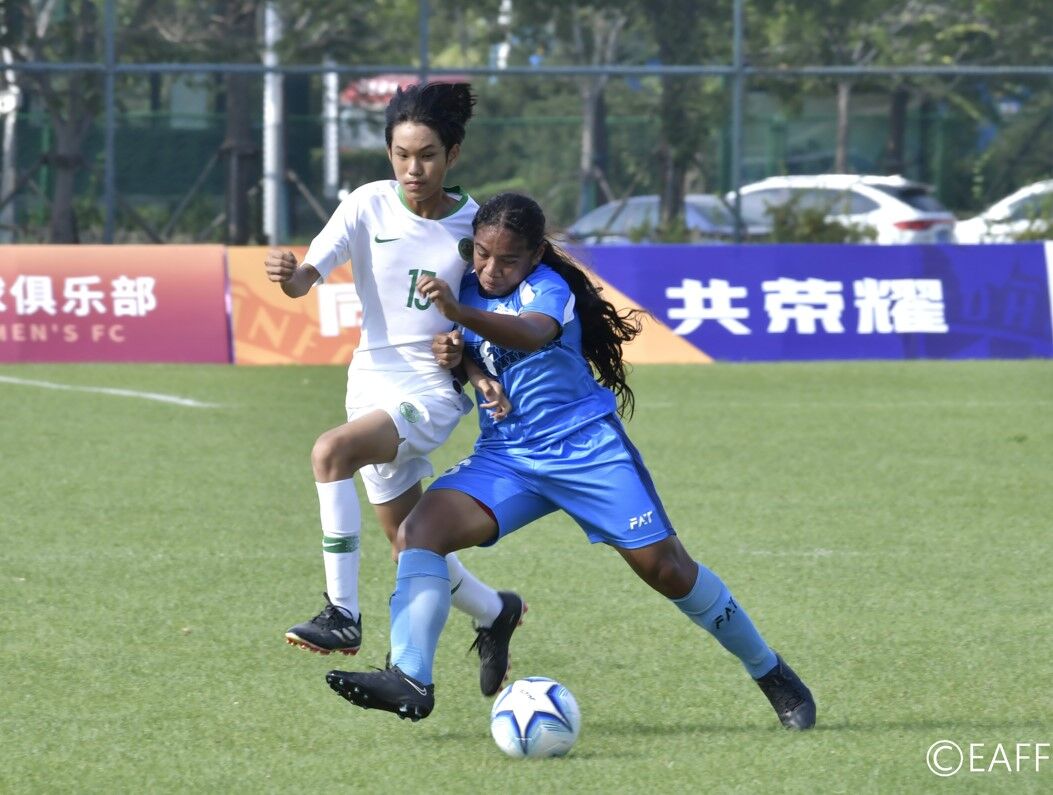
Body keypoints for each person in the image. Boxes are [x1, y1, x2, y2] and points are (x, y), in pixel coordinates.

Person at [326, 192, 816, 730]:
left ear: (535, 255)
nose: (490, 269)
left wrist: (460, 318)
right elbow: (467, 343)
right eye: (482, 254)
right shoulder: (464, 286)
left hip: (587, 452)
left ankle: (770, 672)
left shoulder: (547, 289)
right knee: (418, 532)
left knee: (669, 571)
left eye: (507, 259)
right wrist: (465, 362)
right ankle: (411, 677)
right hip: (507, 457)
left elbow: (531, 333)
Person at [263, 83, 524, 697]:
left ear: (452, 154)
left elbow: (489, 316)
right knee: (409, 544)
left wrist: (466, 354)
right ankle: (496, 612)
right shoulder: (365, 205)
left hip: (431, 391)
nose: (414, 168)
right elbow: (304, 281)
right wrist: (285, 275)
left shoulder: (475, 225)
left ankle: (341, 614)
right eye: (402, 154)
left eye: (427, 155)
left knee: (331, 451)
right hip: (369, 383)